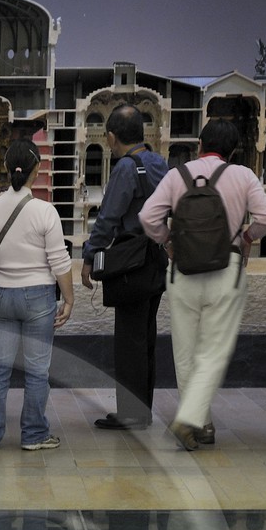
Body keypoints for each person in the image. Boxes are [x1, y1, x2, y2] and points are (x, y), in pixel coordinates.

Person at [140, 118, 266, 450]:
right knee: (213, 351)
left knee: (185, 351)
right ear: (232, 152)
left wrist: (169, 241)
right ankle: (191, 419)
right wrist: (245, 236)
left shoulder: (177, 175)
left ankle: (200, 422)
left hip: (183, 272)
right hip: (225, 271)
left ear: (200, 145)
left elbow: (147, 217)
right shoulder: (243, 175)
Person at [0, 142, 73, 452]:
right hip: (38, 298)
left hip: (2, 296)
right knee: (36, 370)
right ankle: (33, 434)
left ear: (7, 169)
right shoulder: (45, 211)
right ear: (37, 169)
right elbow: (59, 261)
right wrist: (69, 299)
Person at [80, 106, 167, 430]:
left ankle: (132, 414)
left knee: (129, 340)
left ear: (112, 138)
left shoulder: (126, 168)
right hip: (155, 258)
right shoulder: (160, 163)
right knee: (145, 338)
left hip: (131, 262)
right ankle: (142, 410)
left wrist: (90, 256)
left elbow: (108, 218)